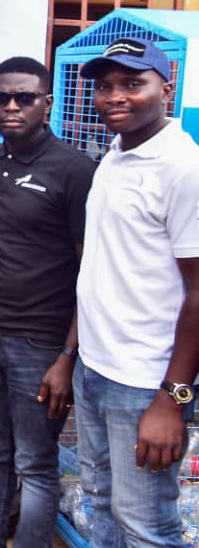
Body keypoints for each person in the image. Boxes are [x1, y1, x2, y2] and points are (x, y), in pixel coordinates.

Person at [74, 37, 199, 547]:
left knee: (146, 525)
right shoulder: (115, 155)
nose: (115, 97)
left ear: (166, 89)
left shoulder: (183, 168)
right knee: (99, 502)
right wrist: (73, 356)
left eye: (132, 84)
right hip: (95, 367)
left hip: (145, 382)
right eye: (105, 87)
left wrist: (173, 398)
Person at [0, 57, 95, 548]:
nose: (12, 106)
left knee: (36, 464)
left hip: (41, 344)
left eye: (25, 98)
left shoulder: (74, 170)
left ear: (47, 102)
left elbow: (91, 272)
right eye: (2, 98)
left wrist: (67, 355)